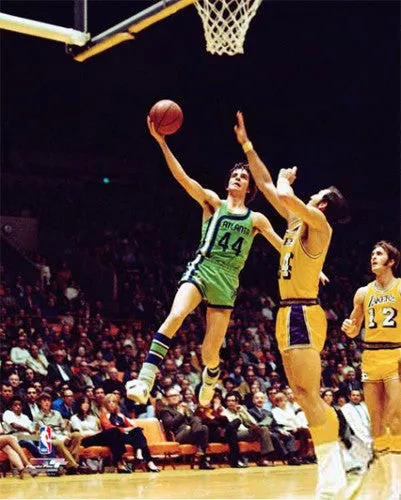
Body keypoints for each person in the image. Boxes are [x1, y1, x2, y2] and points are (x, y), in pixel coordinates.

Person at [126, 115, 281, 408]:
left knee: (209, 352)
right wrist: (162, 143)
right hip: (203, 266)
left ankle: (211, 376)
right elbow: (183, 178)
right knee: (176, 315)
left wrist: (314, 266)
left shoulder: (256, 219)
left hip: (227, 279)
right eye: (235, 175)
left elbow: (281, 245)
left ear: (251, 189)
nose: (237, 178)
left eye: (244, 177)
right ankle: (145, 379)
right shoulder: (213, 202)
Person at [234, 110, 350, 499]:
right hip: (288, 312)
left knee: (310, 394)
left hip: (303, 311)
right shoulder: (296, 224)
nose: (309, 195)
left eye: (315, 196)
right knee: (301, 394)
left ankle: (334, 470)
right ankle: (334, 464)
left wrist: (287, 183)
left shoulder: (320, 226)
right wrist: (247, 146)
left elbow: (281, 190)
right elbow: (267, 186)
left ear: (323, 206)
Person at [342, 240, 401, 497]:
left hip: (396, 353)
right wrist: (350, 328)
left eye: (379, 254)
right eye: (372, 254)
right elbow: (355, 328)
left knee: (395, 418)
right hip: (370, 357)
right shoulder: (363, 293)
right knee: (376, 423)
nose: (373, 258)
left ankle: (398, 484)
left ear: (391, 261)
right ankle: (390, 483)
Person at [100, 393, 159, 472]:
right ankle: (146, 460)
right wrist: (125, 430)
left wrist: (129, 429)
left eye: (113, 402)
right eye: (109, 402)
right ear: (105, 404)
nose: (111, 404)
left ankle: (143, 457)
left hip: (124, 436)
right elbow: (109, 427)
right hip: (114, 439)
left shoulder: (120, 415)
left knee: (137, 430)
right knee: (137, 437)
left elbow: (131, 426)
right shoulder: (104, 415)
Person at [70, 396, 130, 473]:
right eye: (83, 403)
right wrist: (95, 433)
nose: (86, 405)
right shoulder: (74, 418)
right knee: (113, 431)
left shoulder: (92, 417)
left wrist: (99, 432)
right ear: (79, 405)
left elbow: (100, 429)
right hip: (86, 440)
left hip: (96, 438)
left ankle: (119, 462)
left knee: (114, 432)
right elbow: (80, 434)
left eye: (88, 403)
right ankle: (120, 461)